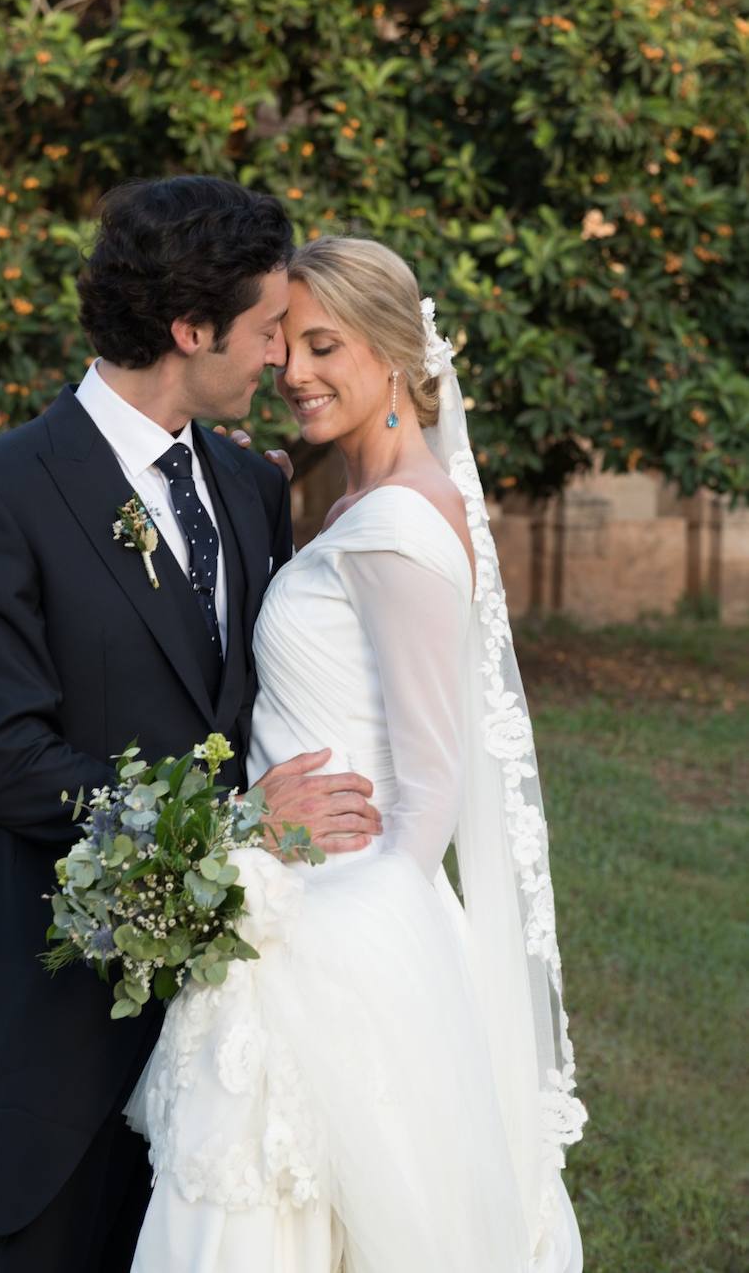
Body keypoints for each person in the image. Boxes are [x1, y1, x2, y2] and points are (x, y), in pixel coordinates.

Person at [0, 178, 382, 1273]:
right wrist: (232, 826)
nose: (281, 357)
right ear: (190, 329)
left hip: (247, 986)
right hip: (80, 981)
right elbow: (7, 763)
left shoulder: (249, 482)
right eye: (269, 327)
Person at [127, 236, 588, 1273]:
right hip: (305, 892)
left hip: (344, 918)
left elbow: (432, 786)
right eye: (284, 346)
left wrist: (338, 952)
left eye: (324, 345)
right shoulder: (353, 503)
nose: (294, 373)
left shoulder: (395, 525)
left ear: (393, 349)